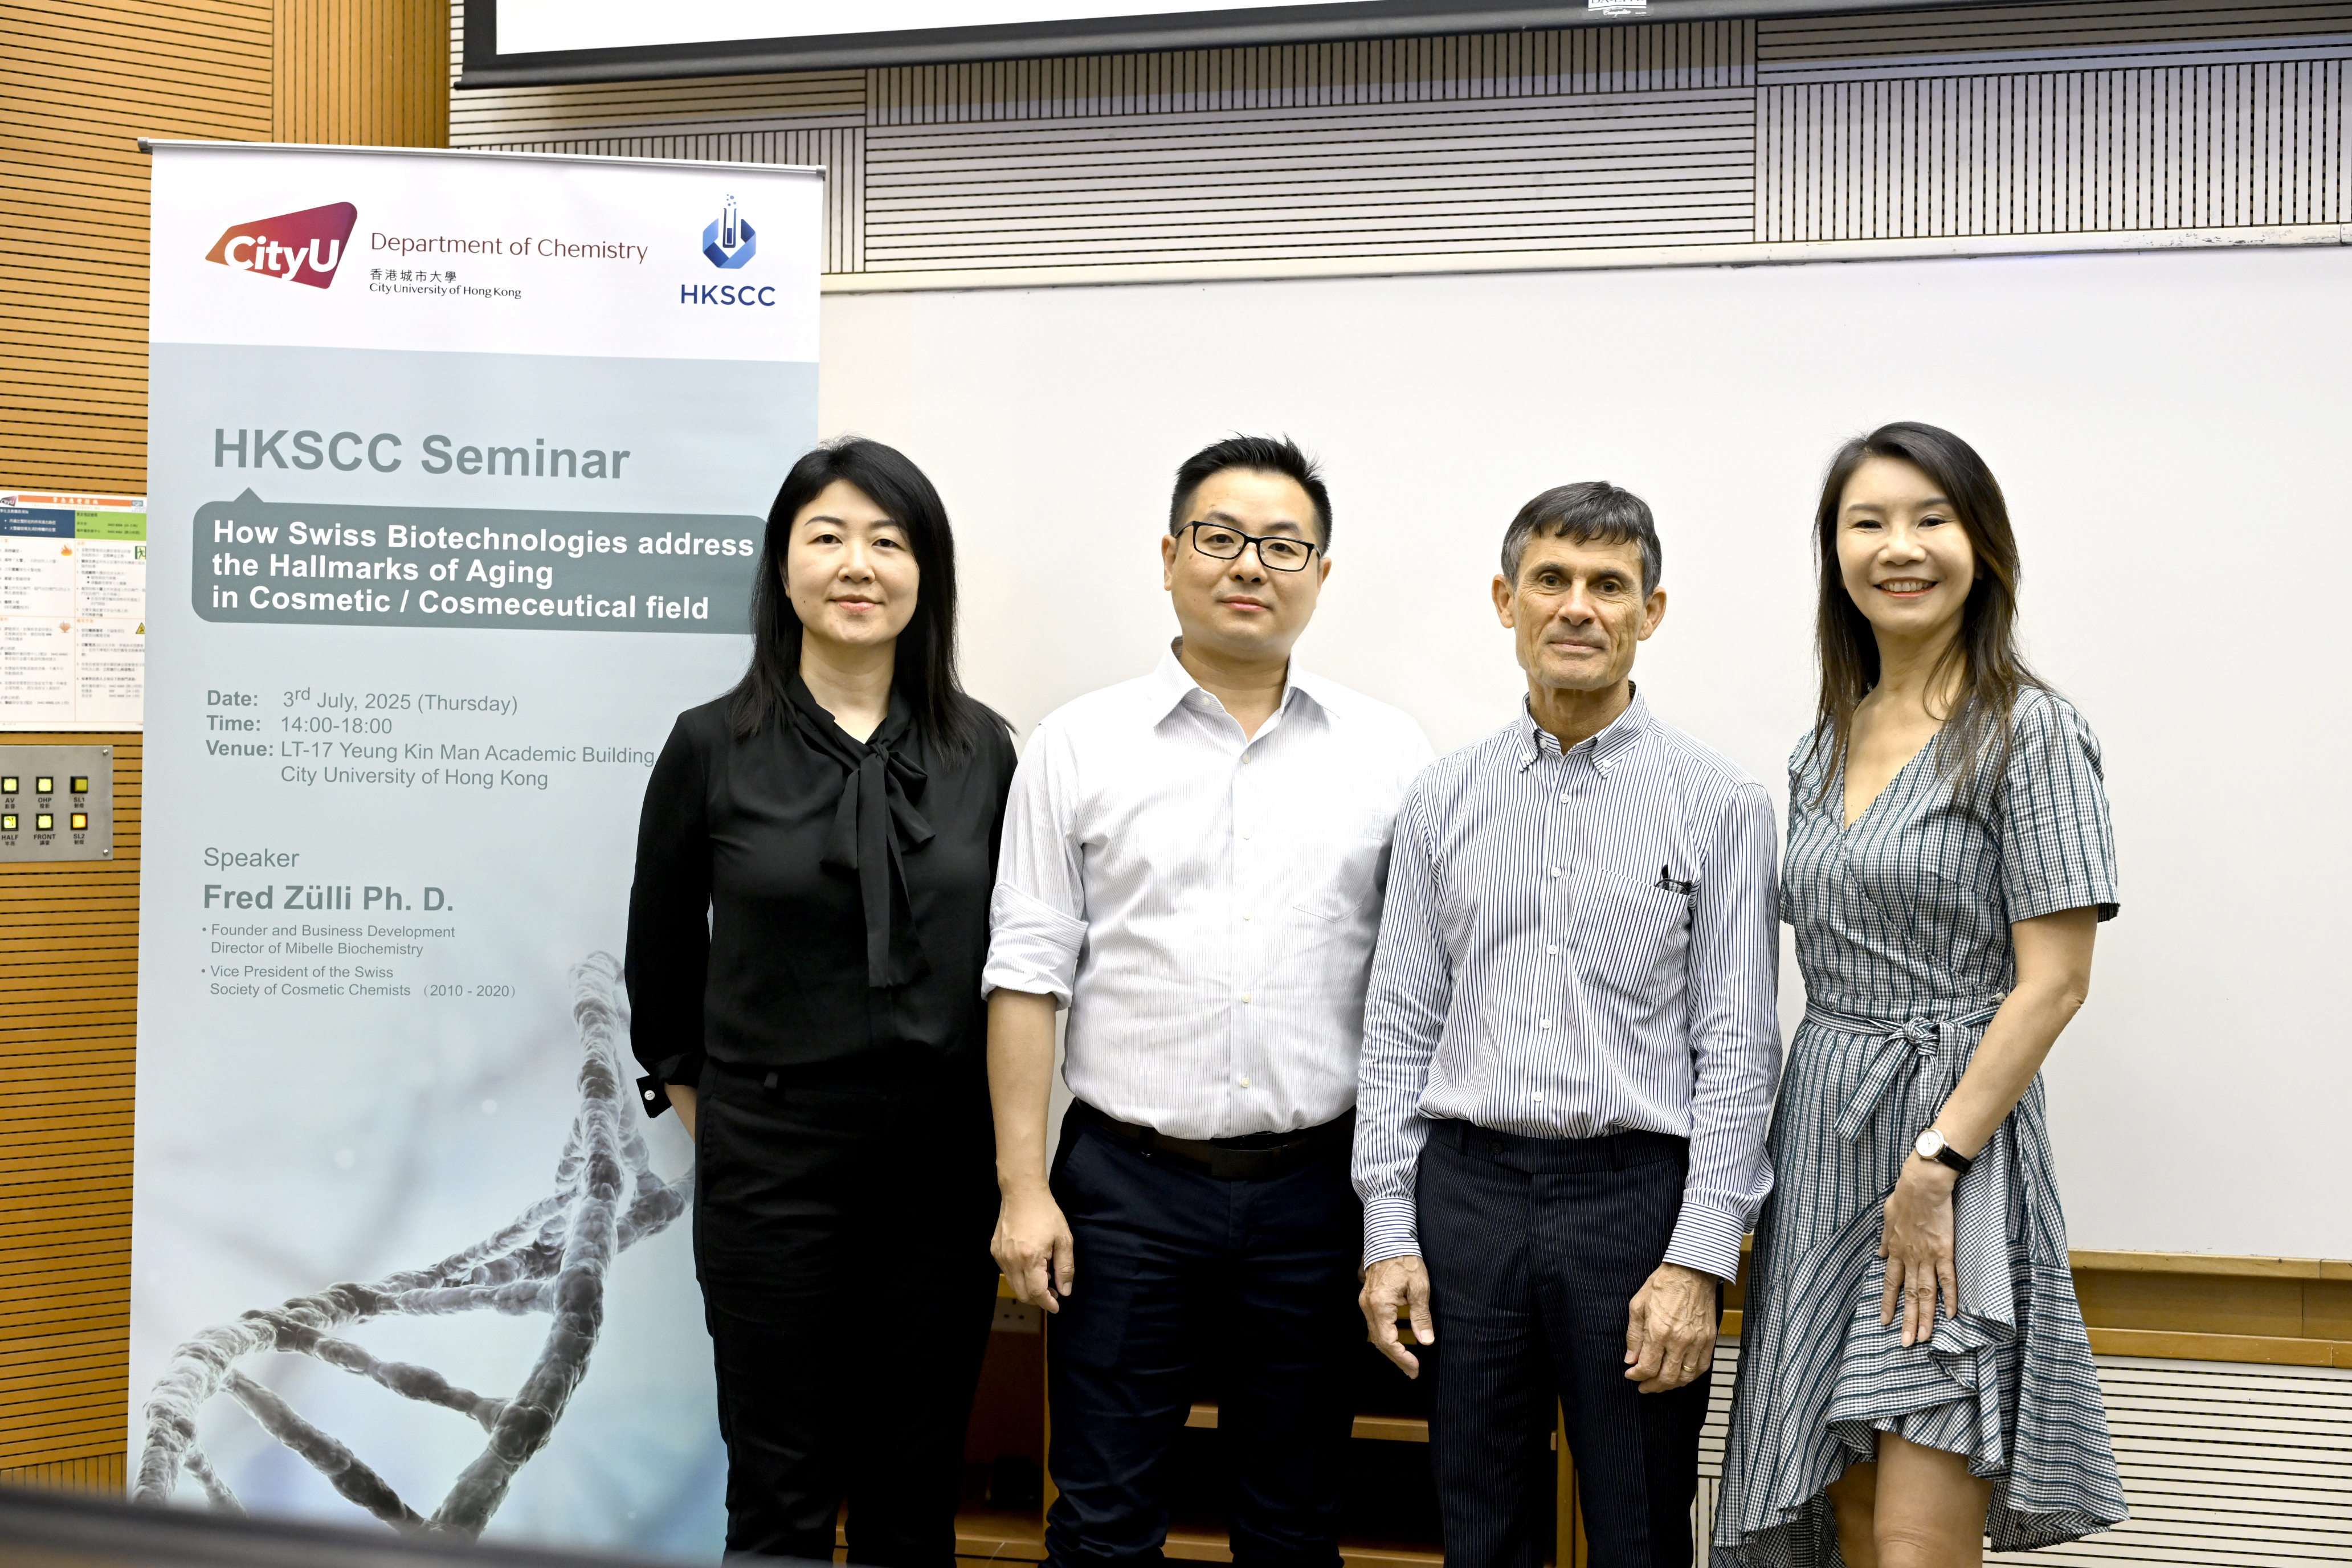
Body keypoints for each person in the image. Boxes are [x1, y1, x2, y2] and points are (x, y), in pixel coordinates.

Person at [985, 435, 1434, 1568]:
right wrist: (1024, 1187)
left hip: (1313, 1194)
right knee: (1102, 1518)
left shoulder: (1390, 752)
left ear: (1321, 574)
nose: (1252, 565)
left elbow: (1418, 991)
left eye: (1285, 544)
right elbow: (1027, 973)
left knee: (1294, 1521)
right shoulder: (1077, 743)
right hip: (1125, 1193)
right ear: (1172, 555)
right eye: (1223, 538)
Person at [1713, 423, 2127, 1567]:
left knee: (1914, 1533)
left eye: (1930, 518)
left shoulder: (2029, 729)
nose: (1901, 546)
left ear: (1982, 546)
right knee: (1843, 1507)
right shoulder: (1818, 748)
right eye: (1868, 521)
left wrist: (1935, 1165)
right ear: (1835, 554)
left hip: (1952, 1152)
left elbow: (2056, 981)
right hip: (1826, 1133)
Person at [1354, 481, 1782, 1568]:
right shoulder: (1442, 798)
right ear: (1507, 601)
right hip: (1468, 1201)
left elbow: (1738, 1049)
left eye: (1609, 585)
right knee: (1478, 1523)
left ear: (1653, 611)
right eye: (1552, 580)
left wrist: (1698, 1261)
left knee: (1638, 1530)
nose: (1578, 607)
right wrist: (1390, 1229)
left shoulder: (1719, 800)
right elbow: (1400, 1027)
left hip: (1634, 1204)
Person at [624, 437, 1018, 1563]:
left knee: (912, 1487)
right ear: (783, 567)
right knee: (780, 1486)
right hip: (771, 1154)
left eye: (889, 542)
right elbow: (657, 967)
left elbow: (1014, 962)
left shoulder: (982, 749)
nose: (859, 564)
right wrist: (738, 1118)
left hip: (941, 1157)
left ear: (925, 572)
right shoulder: (711, 743)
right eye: (829, 537)